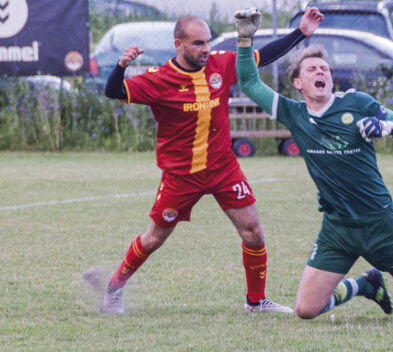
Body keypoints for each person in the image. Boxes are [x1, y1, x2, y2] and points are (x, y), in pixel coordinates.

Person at [234, 14, 393, 319]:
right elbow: (249, 81)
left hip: (379, 221)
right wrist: (245, 41)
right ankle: (366, 285)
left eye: (325, 69)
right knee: (305, 309)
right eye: (312, 69)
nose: (321, 72)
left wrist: (386, 128)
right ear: (298, 83)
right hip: (337, 227)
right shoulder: (294, 114)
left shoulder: (355, 103)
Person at [84, 8, 324, 315]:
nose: (205, 49)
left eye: (207, 42)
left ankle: (256, 302)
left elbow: (263, 55)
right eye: (198, 43)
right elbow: (113, 91)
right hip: (181, 175)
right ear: (178, 45)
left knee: (252, 230)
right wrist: (120, 66)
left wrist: (301, 32)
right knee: (155, 237)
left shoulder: (220, 64)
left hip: (223, 168)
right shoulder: (160, 79)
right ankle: (114, 289)